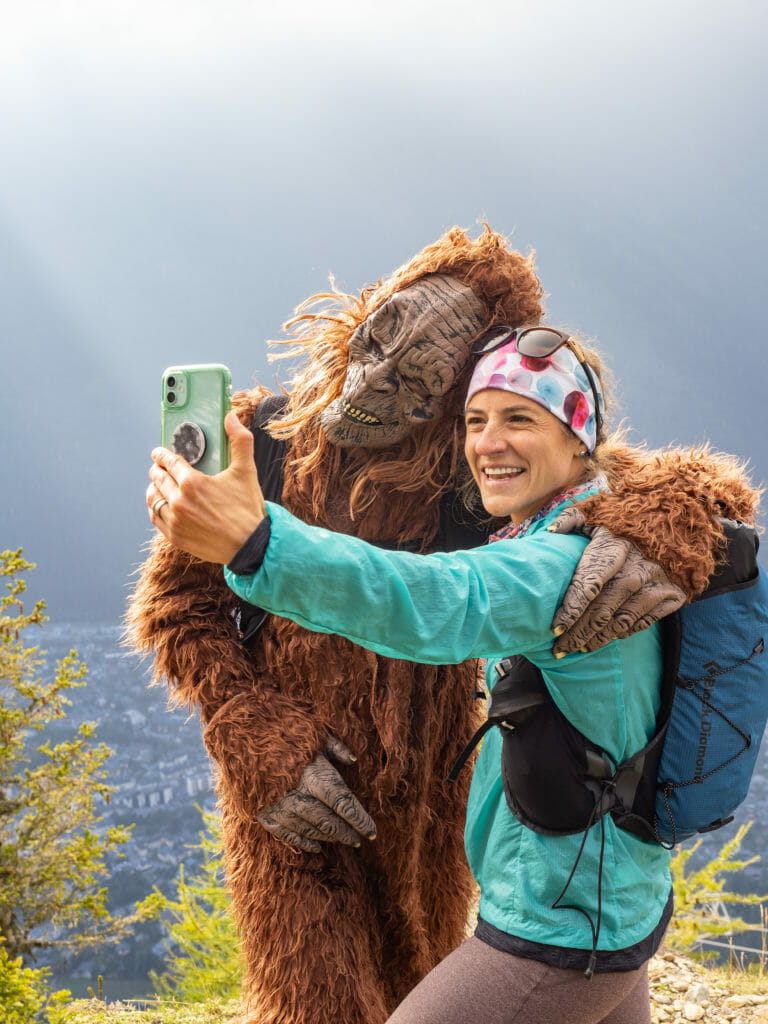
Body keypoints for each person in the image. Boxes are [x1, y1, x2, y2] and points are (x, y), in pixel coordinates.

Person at [144, 321, 761, 1022]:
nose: (487, 443)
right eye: (475, 420)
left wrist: (256, 544)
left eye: (520, 419)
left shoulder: (559, 566)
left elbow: (429, 600)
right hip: (614, 906)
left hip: (553, 930)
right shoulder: (591, 529)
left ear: (578, 438)